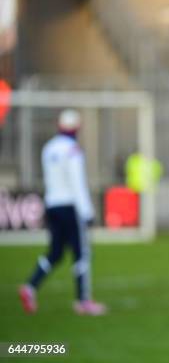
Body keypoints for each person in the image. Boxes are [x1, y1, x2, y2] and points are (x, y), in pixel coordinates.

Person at [19, 109, 107, 316]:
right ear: (77, 128)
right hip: (70, 207)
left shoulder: (49, 148)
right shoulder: (73, 150)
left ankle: (30, 286)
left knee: (55, 253)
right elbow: (77, 184)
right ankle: (83, 301)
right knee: (82, 253)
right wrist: (87, 212)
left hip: (52, 205)